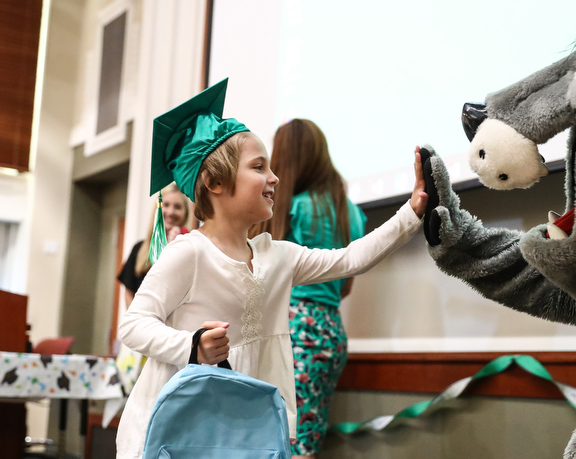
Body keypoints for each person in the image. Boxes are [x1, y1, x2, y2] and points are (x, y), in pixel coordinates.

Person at [115, 78, 427, 459]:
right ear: (214, 181)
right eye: (259, 167)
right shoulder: (189, 253)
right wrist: (191, 345)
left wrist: (411, 213)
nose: (274, 178)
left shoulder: (278, 256)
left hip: (243, 428)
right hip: (180, 429)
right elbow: (133, 324)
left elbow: (351, 258)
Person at [249, 119, 365, 458]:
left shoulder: (294, 208)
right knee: (305, 441)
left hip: (293, 329)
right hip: (330, 330)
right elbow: (344, 286)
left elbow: (264, 273)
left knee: (277, 438)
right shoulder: (353, 213)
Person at [117, 182, 191, 307]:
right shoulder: (139, 249)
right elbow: (129, 292)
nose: (171, 212)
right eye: (165, 205)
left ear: (185, 213)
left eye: (178, 207)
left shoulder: (191, 248)